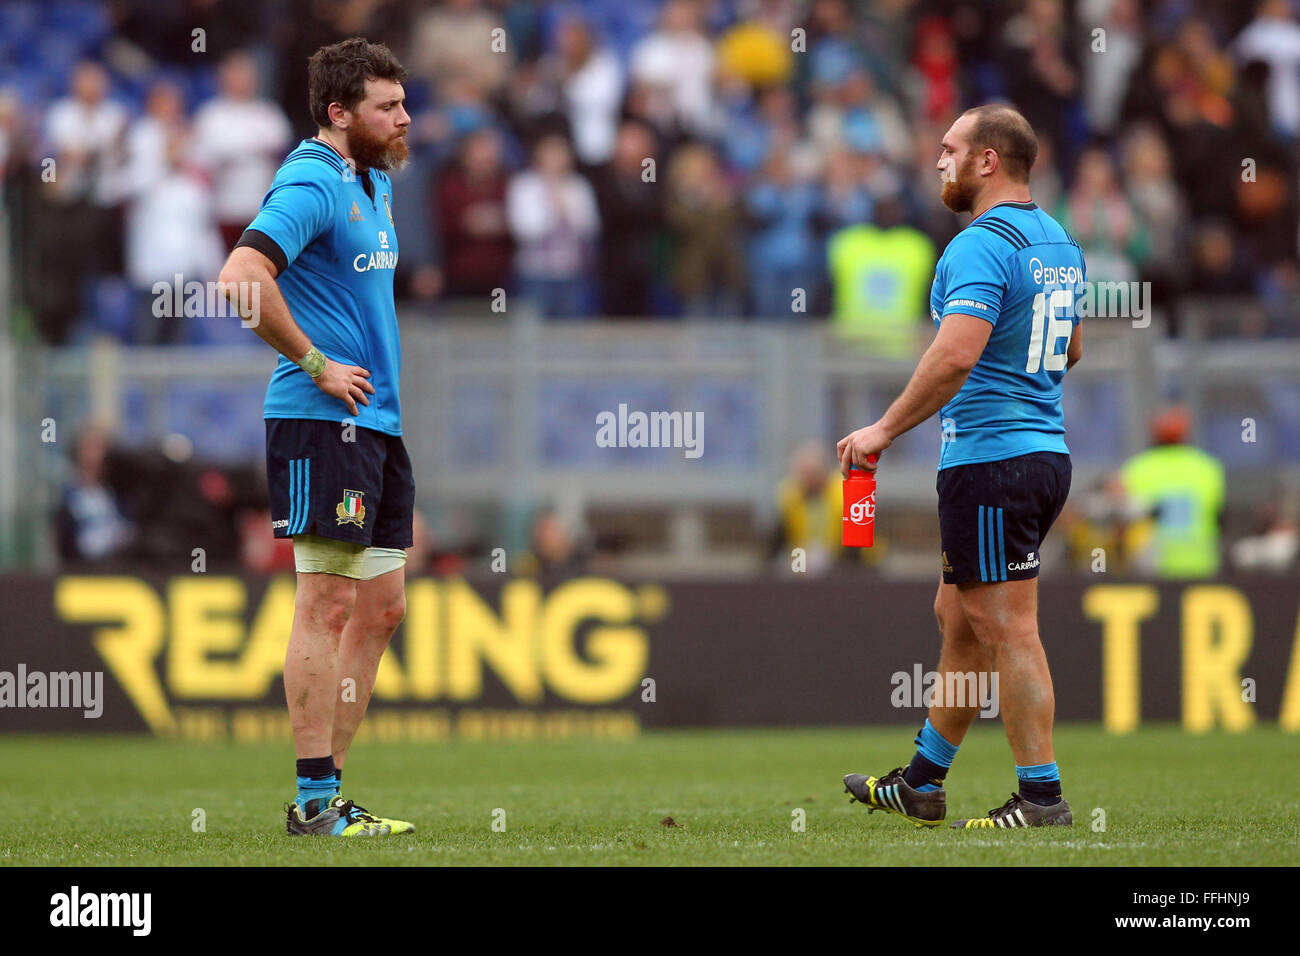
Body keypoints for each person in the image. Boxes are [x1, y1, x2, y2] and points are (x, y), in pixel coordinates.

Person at [837, 104, 1084, 829]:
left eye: (950, 149)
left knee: (1007, 628)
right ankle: (922, 781)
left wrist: (882, 429)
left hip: (992, 461)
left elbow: (955, 354)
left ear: (989, 161)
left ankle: (1042, 797)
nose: (938, 161)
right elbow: (1068, 350)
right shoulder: (1060, 240)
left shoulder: (978, 244)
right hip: (1043, 451)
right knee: (961, 617)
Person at [217, 38, 415, 837]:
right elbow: (238, 280)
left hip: (376, 421)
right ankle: (310, 804)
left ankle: (331, 790)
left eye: (403, 103)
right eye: (388, 107)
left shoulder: (372, 180)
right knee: (327, 603)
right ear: (340, 113)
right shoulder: (311, 179)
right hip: (322, 417)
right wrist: (314, 362)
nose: (406, 118)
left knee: (383, 607)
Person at [1118, 406, 1226, 578]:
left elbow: (1125, 519)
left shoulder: (1137, 468)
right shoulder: (1208, 467)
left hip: (1152, 566)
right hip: (1199, 564)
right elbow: (1219, 516)